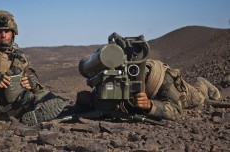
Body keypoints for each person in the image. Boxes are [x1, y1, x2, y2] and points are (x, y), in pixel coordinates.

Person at [76, 59, 221, 121]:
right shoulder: (121, 77)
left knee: (200, 97)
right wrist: (89, 100)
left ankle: (203, 82)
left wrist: (150, 106)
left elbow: (176, 111)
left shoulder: (165, 81)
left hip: (185, 94)